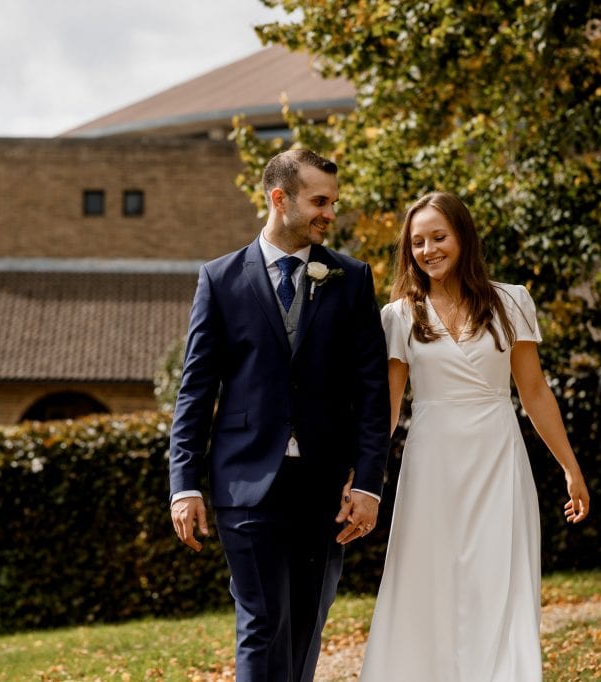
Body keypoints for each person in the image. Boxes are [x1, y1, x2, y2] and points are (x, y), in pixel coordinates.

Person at [169, 148, 390, 682]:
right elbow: (195, 390)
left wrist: (368, 483)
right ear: (279, 198)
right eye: (319, 202)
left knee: (306, 625)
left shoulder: (351, 278)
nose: (330, 214)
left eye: (332, 203)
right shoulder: (220, 279)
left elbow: (371, 392)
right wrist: (184, 484)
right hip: (245, 481)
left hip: (325, 486)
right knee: (262, 622)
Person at [359, 191, 591, 680]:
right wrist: (362, 479)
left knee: (498, 576)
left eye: (439, 237)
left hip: (497, 457)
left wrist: (570, 468)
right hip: (431, 463)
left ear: (463, 237)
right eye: (417, 242)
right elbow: (387, 408)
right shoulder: (397, 316)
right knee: (427, 579)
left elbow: (534, 392)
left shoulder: (511, 301)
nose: (428, 250)